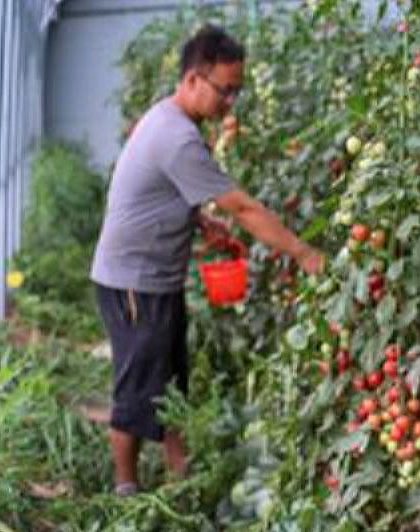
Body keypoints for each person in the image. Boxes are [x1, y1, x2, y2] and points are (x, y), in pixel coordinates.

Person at [90, 25, 324, 496]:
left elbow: (156, 190)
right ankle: (125, 490)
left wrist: (198, 220)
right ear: (194, 79)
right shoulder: (177, 136)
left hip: (154, 278)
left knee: (169, 379)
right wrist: (304, 253)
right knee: (137, 386)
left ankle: (183, 475)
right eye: (225, 90)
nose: (230, 102)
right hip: (134, 280)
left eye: (237, 91)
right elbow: (242, 207)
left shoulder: (169, 119)